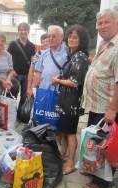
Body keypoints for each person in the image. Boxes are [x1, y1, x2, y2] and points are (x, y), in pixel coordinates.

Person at [81, 8, 118, 188]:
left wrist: (112, 109)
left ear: (117, 23)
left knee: (104, 145)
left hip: (108, 108)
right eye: (100, 23)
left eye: (106, 22)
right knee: (95, 143)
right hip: (96, 106)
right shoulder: (104, 44)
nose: (102, 26)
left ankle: (102, 181)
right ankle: (95, 170)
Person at [52, 24, 89, 175]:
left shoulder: (80, 57)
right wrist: (60, 77)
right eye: (70, 36)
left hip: (71, 102)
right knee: (65, 130)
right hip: (65, 100)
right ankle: (62, 155)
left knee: (71, 133)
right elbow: (68, 74)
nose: (71, 39)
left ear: (82, 40)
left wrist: (58, 81)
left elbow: (75, 82)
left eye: (75, 37)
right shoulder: (72, 55)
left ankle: (71, 162)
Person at [32, 25, 68, 147]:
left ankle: (57, 143)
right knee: (43, 115)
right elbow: (39, 72)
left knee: (58, 118)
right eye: (49, 36)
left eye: (54, 36)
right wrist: (32, 89)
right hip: (44, 91)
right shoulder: (44, 53)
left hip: (60, 92)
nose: (51, 38)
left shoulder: (67, 52)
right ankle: (43, 138)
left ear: (61, 37)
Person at [0, 30, 19, 133]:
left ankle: (4, 136)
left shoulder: (7, 54)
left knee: (5, 114)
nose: (0, 43)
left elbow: (12, 70)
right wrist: (2, 81)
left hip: (6, 89)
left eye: (2, 41)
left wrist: (7, 80)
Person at [7, 22, 35, 118]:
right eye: (21, 30)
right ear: (18, 31)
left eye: (25, 29)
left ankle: (20, 116)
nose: (23, 32)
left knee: (24, 97)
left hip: (26, 75)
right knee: (12, 97)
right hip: (15, 75)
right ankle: (11, 116)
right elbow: (8, 58)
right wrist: (10, 71)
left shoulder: (31, 46)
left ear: (28, 31)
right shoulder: (13, 44)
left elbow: (33, 61)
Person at [27, 33, 50, 98]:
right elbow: (31, 70)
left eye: (47, 41)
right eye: (43, 42)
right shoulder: (38, 54)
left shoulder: (56, 54)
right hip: (37, 86)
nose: (45, 43)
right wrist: (29, 87)